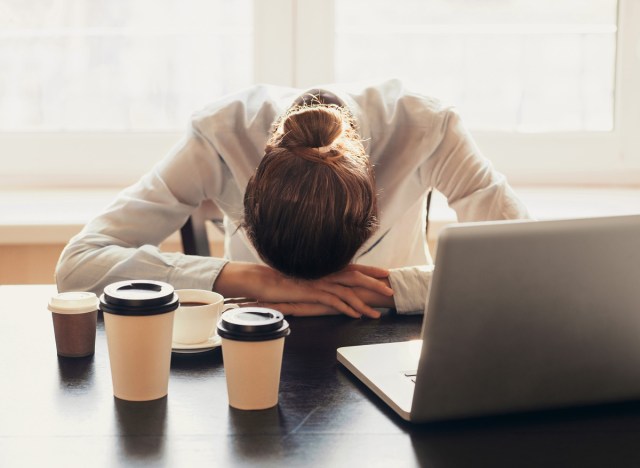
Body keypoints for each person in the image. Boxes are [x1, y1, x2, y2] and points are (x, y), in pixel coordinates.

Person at [55, 79, 530, 318]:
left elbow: (530, 264)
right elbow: (79, 265)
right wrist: (252, 280)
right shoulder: (222, 133)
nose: (318, 290)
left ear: (372, 207)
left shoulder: (429, 128)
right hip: (257, 326)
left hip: (391, 334)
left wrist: (390, 290)